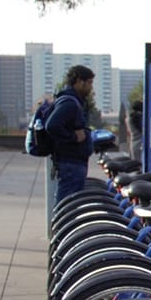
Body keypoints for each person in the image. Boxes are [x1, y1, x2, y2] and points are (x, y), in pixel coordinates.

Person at [45, 65, 95, 203]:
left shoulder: (72, 101)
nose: (91, 87)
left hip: (73, 162)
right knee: (67, 205)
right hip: (71, 163)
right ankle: (60, 225)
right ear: (79, 81)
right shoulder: (70, 103)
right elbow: (52, 125)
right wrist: (73, 137)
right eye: (89, 83)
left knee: (70, 205)